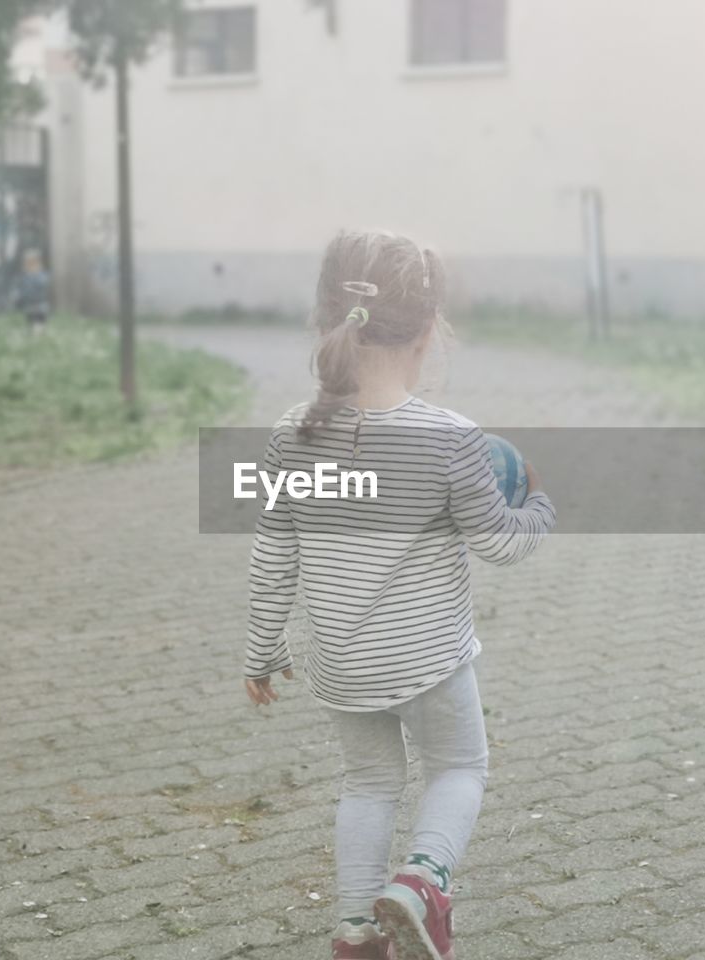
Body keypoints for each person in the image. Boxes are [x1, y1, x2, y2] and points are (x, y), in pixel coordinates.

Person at [243, 230, 556, 960]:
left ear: (327, 318)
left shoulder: (292, 434)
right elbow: (501, 542)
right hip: (431, 663)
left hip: (342, 667)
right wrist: (538, 500)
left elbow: (273, 552)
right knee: (459, 768)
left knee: (368, 784)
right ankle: (421, 882)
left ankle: (355, 932)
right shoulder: (450, 440)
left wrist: (261, 651)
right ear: (426, 332)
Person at [17, 248, 51, 329]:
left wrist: (35, 275)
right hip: (29, 303)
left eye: (33, 263)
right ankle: (33, 332)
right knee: (31, 320)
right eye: (28, 264)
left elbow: (43, 284)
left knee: (40, 320)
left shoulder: (41, 275)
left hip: (40, 303)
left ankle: (39, 331)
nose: (30, 266)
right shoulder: (25, 276)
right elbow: (22, 288)